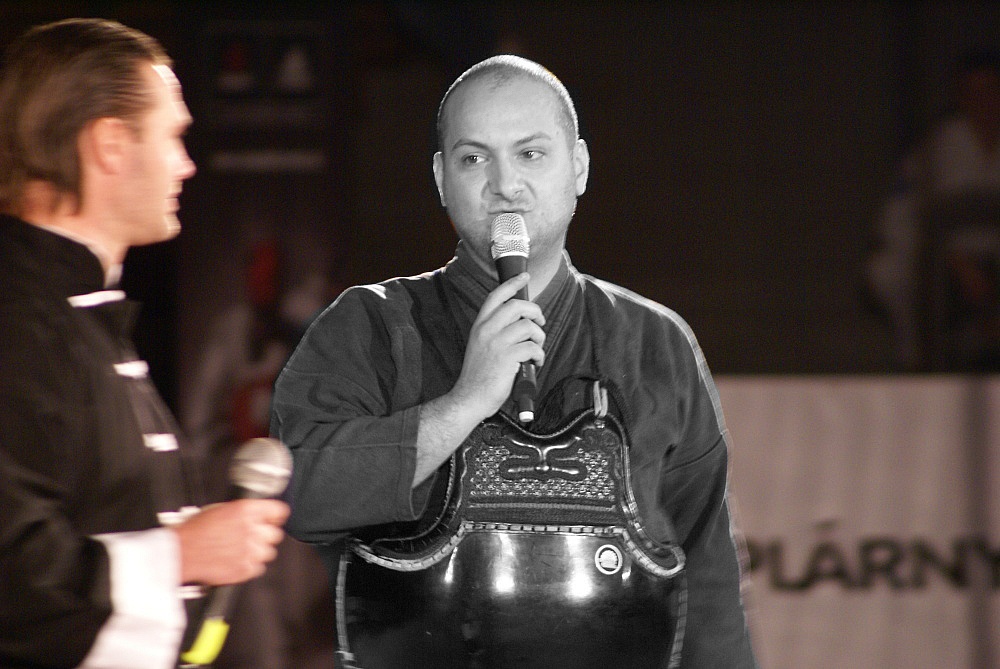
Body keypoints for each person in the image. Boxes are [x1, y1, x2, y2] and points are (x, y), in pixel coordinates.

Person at [272, 55, 757, 667]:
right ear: (441, 178)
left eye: (530, 154)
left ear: (578, 167)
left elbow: (707, 583)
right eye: (474, 159)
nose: (504, 184)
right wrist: (464, 403)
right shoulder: (369, 325)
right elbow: (296, 493)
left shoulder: (654, 343)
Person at [0, 18, 289, 668]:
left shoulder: (72, 312)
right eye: (173, 136)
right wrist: (181, 554)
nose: (187, 164)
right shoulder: (17, 317)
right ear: (110, 144)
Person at [865, 48, 1000, 370]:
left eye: (989, 91)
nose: (981, 102)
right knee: (887, 271)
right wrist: (958, 263)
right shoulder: (937, 147)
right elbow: (900, 219)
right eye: (970, 93)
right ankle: (918, 366)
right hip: (946, 263)